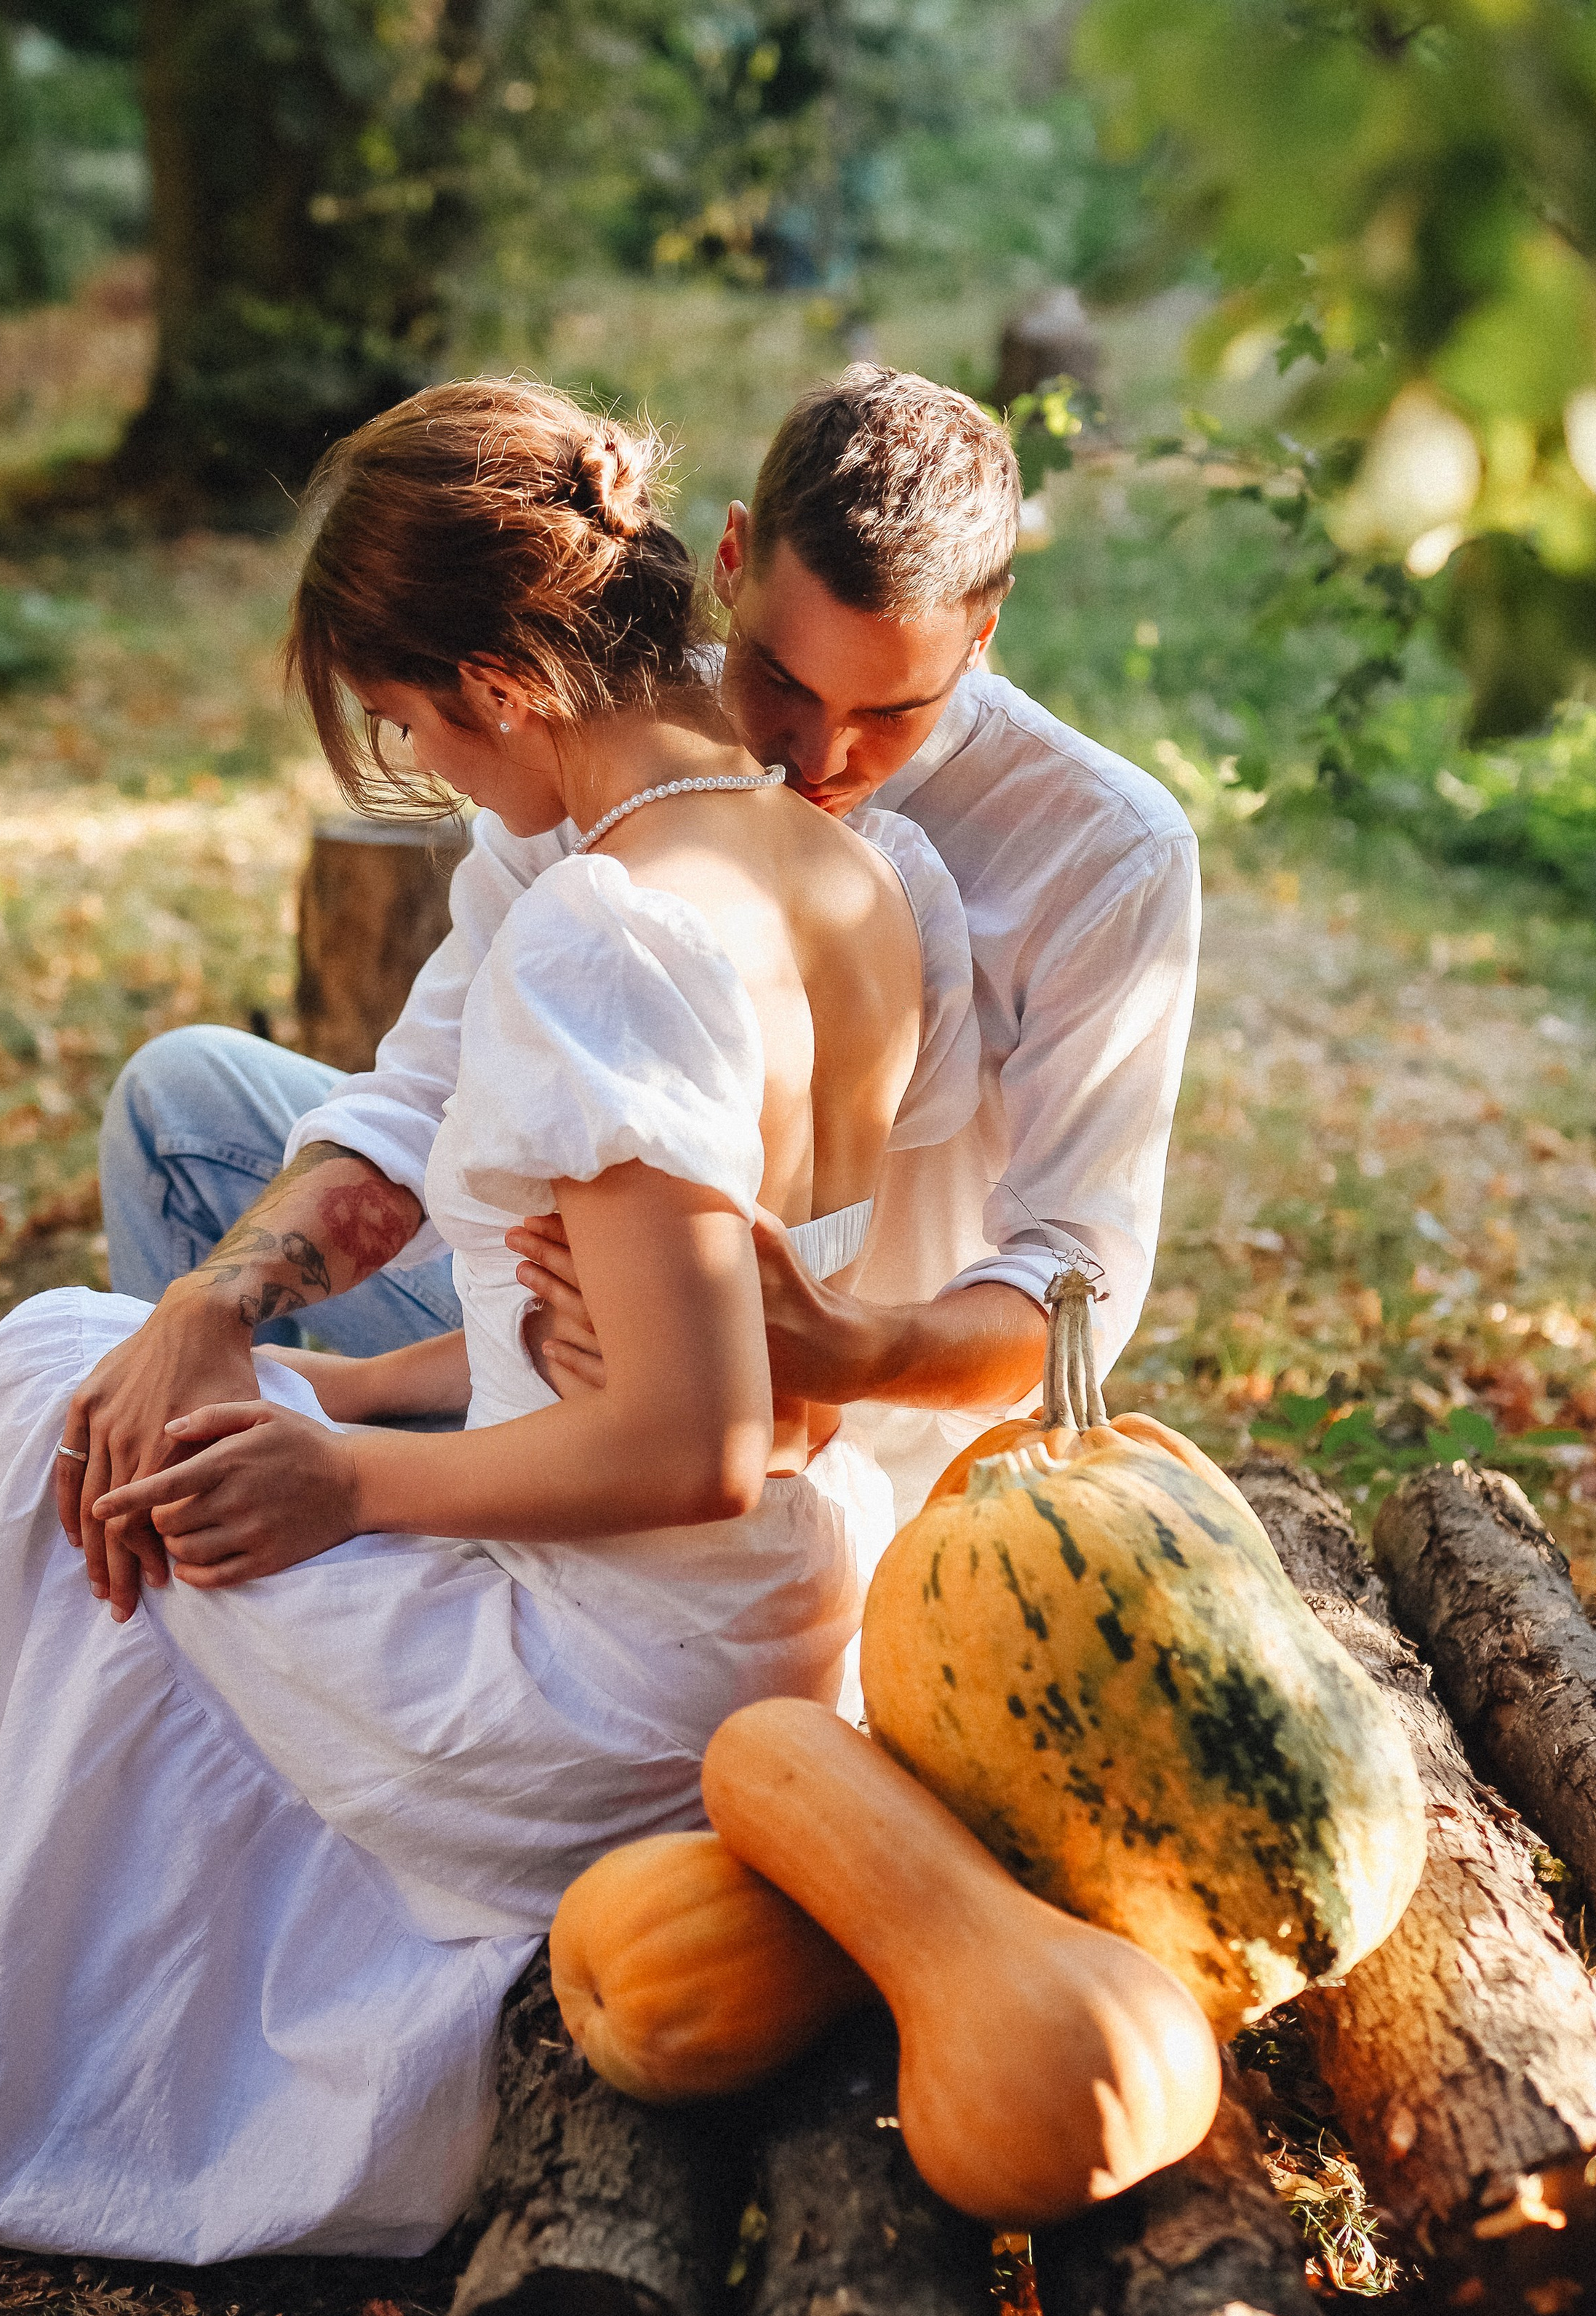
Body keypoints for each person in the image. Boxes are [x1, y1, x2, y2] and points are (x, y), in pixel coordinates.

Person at [0, 380, 979, 2262]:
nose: (432, 773)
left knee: (32, 1411)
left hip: (617, 1675)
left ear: (496, 680)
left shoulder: (609, 926)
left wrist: (343, 1488)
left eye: (403, 729)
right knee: (86, 1362)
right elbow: (627, 1344)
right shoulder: (864, 876)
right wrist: (315, 1369)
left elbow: (689, 1443)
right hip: (777, 1612)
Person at [84, 366, 1200, 1568]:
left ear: (983, 635)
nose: (816, 752)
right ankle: (213, 1507)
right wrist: (222, 1303)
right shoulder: (613, 733)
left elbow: (1075, 1282)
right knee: (180, 1108)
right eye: (776, 674)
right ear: (730, 563)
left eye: (892, 710)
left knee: (39, 1419)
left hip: (850, 1463)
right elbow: (422, 1099)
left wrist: (837, 1340)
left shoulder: (1103, 849)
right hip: (582, 1350)